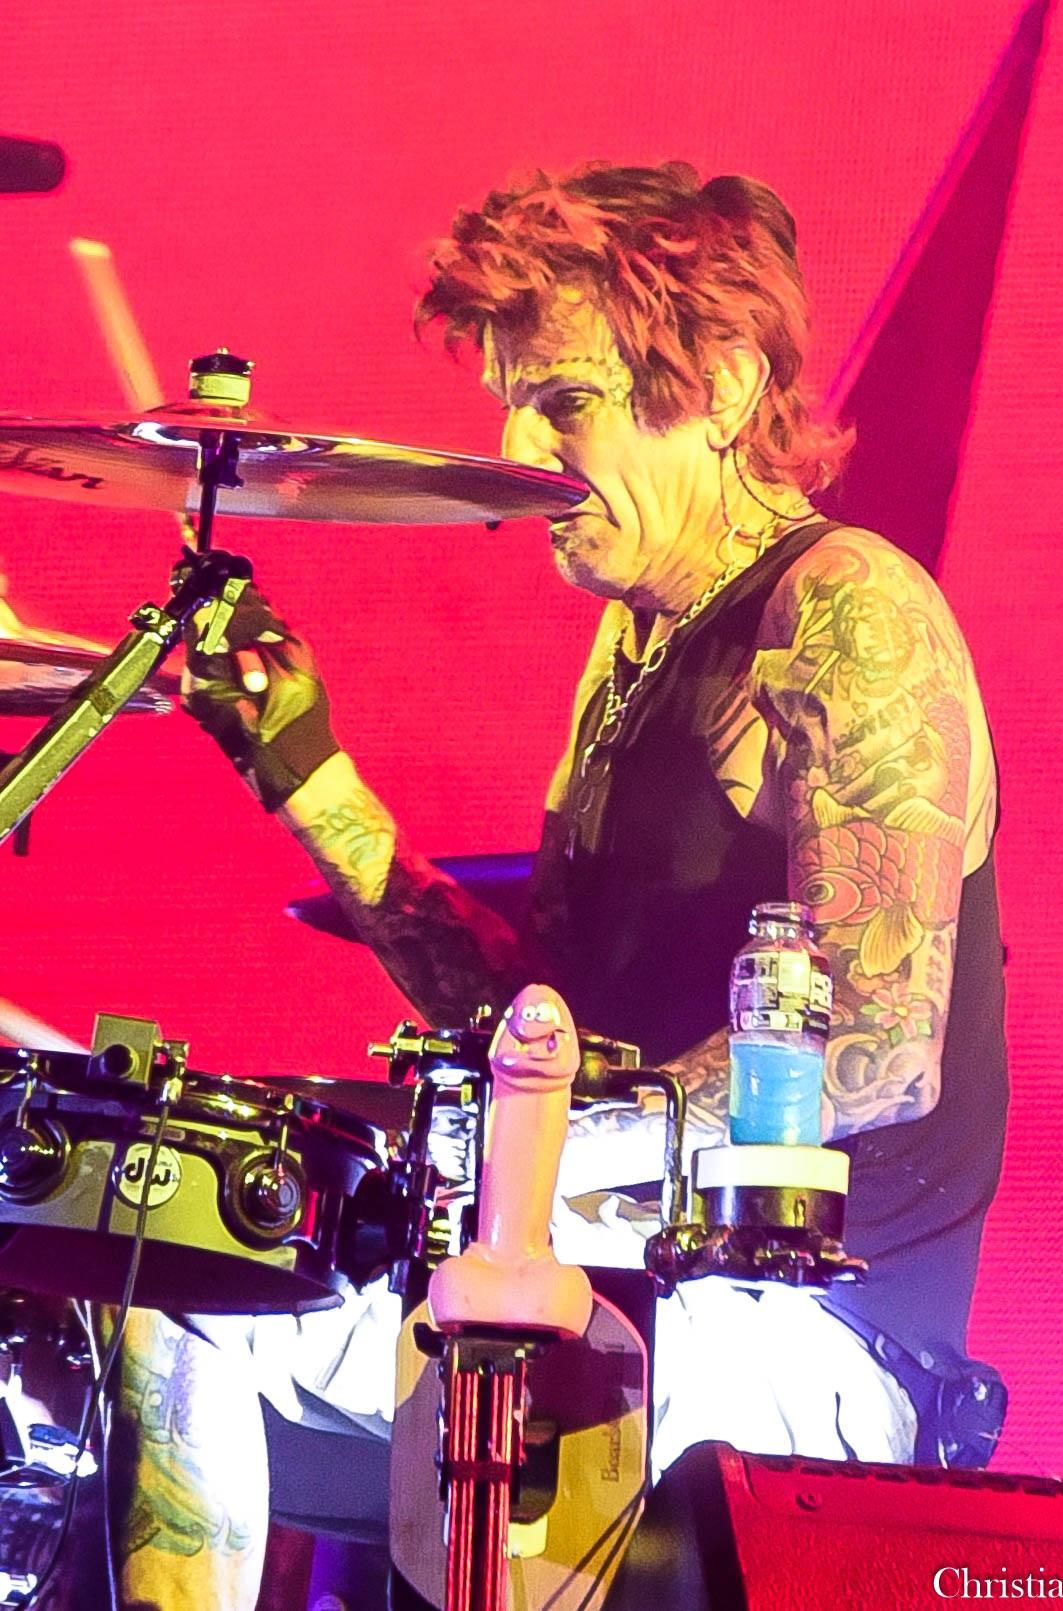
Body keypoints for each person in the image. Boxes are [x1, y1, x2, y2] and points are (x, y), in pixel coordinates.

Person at [111, 161, 1008, 1608]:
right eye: (510, 404)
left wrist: (534, 1157)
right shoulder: (631, 649)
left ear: (721, 386)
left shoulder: (848, 610)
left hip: (807, 1341)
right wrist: (307, 778)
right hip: (594, 1270)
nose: (518, 451)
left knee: (235, 1315)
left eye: (566, 403)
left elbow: (878, 1039)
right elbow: (534, 1021)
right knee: (165, 1288)